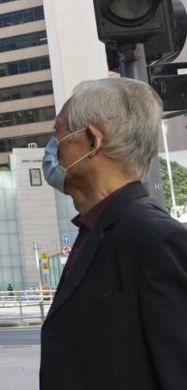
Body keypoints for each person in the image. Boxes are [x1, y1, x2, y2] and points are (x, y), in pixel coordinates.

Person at [39, 78, 187, 390]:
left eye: (58, 132)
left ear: (92, 140)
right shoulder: (95, 229)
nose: (53, 147)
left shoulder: (156, 240)